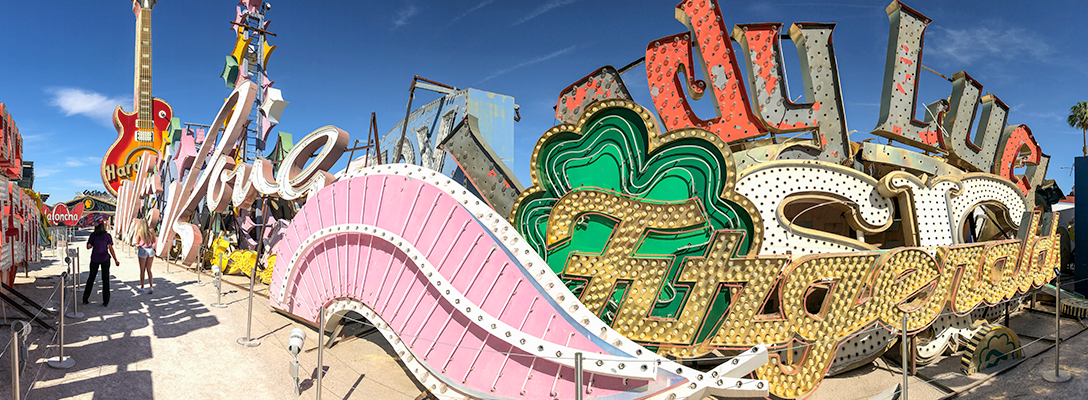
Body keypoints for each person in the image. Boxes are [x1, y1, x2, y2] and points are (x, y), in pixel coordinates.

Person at [84, 222, 120, 307]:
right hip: (105, 258)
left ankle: (85, 298)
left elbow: (88, 247)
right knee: (105, 279)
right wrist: (115, 259)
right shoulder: (107, 236)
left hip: (95, 258)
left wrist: (91, 243)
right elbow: (111, 248)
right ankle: (105, 301)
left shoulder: (93, 235)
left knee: (91, 278)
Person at [134, 219, 156, 294]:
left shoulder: (139, 231)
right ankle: (151, 286)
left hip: (142, 250)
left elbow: (137, 242)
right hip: (150, 250)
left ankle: (142, 287)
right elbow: (154, 241)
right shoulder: (151, 230)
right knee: (149, 269)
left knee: (142, 270)